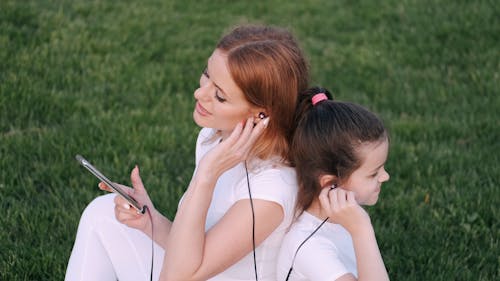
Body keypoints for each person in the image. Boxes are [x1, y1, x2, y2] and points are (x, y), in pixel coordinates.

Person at [65, 24, 309, 281]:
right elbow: (192, 252)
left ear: (260, 114)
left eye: (220, 95)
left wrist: (207, 174)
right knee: (102, 213)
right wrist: (152, 222)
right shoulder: (212, 139)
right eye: (207, 74)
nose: (199, 93)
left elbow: (176, 276)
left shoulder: (271, 190)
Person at [276, 87, 390, 281]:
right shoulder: (311, 248)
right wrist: (362, 231)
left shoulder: (341, 217)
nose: (385, 177)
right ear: (331, 184)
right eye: (373, 174)